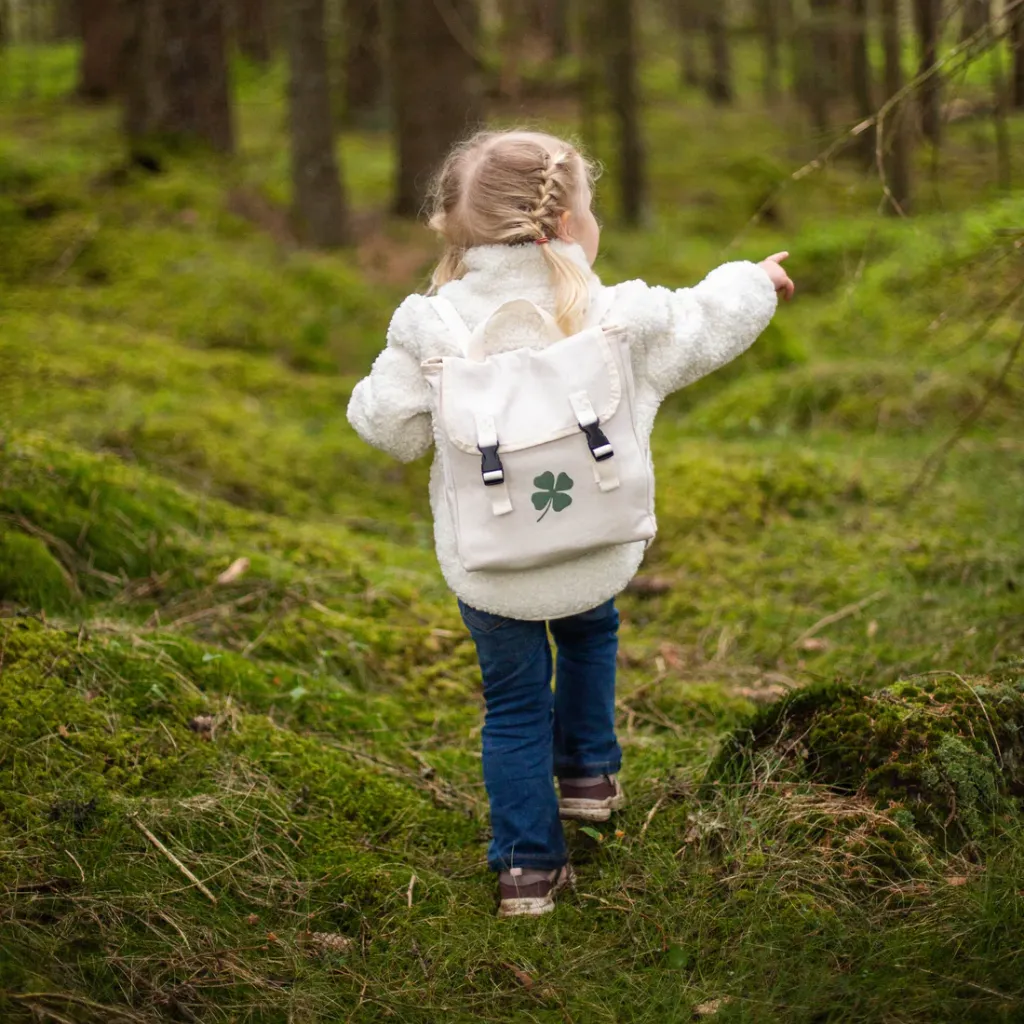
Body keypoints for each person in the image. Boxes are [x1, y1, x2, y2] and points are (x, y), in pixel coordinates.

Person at [347, 129, 794, 918]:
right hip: (593, 546)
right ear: (560, 225)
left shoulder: (432, 326)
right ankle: (588, 774)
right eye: (589, 203)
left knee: (513, 705)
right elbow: (704, 322)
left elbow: (392, 428)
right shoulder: (616, 315)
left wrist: (386, 382)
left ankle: (527, 869)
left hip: (493, 568)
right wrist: (754, 281)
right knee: (591, 633)